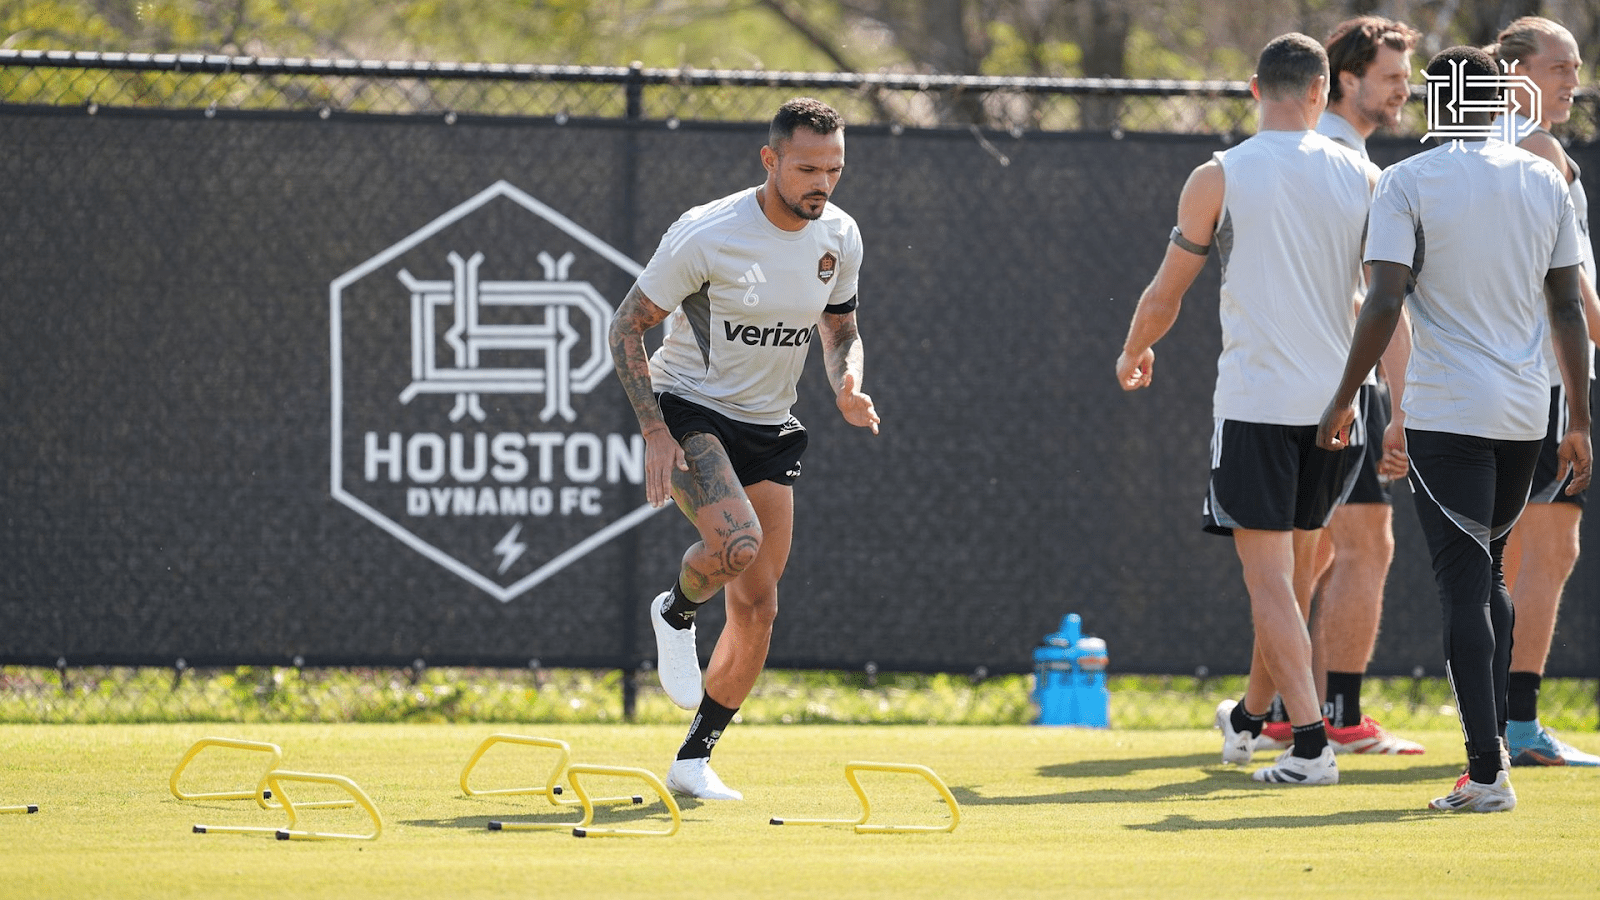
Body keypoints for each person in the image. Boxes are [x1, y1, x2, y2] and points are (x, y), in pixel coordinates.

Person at [1316, 46, 1592, 812]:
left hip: (1449, 411)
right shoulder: (1544, 178)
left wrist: (1345, 396)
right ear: (1500, 99)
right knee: (1490, 573)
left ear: (1436, 103)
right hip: (1527, 413)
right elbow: (1567, 307)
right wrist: (1578, 417)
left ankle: (1486, 773)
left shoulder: (1408, 180)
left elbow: (1383, 300)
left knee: (1466, 585)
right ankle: (1494, 753)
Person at [1117, 33, 1376, 786]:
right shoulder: (1366, 176)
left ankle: (1310, 746)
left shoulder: (1219, 174)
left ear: (1255, 89)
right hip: (1339, 408)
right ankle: (1250, 717)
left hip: (1258, 404)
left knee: (1271, 581)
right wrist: (1395, 401)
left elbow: (1166, 292)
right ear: (1323, 92)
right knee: (1292, 579)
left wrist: (1133, 350)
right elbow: (1382, 303)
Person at [608, 97, 880, 801]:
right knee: (735, 546)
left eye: (834, 168)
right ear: (770, 160)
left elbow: (841, 329)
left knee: (759, 606)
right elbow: (626, 326)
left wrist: (848, 383)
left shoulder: (840, 235)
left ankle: (693, 760)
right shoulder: (709, 233)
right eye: (807, 168)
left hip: (769, 423)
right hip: (689, 406)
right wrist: (655, 431)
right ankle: (676, 611)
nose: (823, 182)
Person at [1258, 16, 1427, 758]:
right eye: (1390, 77)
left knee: (1313, 554)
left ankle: (1278, 712)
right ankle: (1335, 715)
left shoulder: (1335, 154)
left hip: (1315, 380)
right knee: (1360, 546)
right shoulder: (1338, 160)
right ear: (1344, 80)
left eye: (1406, 77)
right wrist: (1393, 397)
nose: (1403, 90)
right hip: (1336, 384)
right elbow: (1371, 296)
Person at [1489, 15, 1600, 768]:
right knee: (1552, 547)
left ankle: (1499, 717)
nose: (1573, 81)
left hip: (1506, 376)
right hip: (1547, 377)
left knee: (1518, 549)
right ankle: (1517, 724)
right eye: (1559, 66)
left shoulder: (1477, 146)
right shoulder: (1537, 149)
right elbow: (1572, 283)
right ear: (1515, 73)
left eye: (1577, 67)